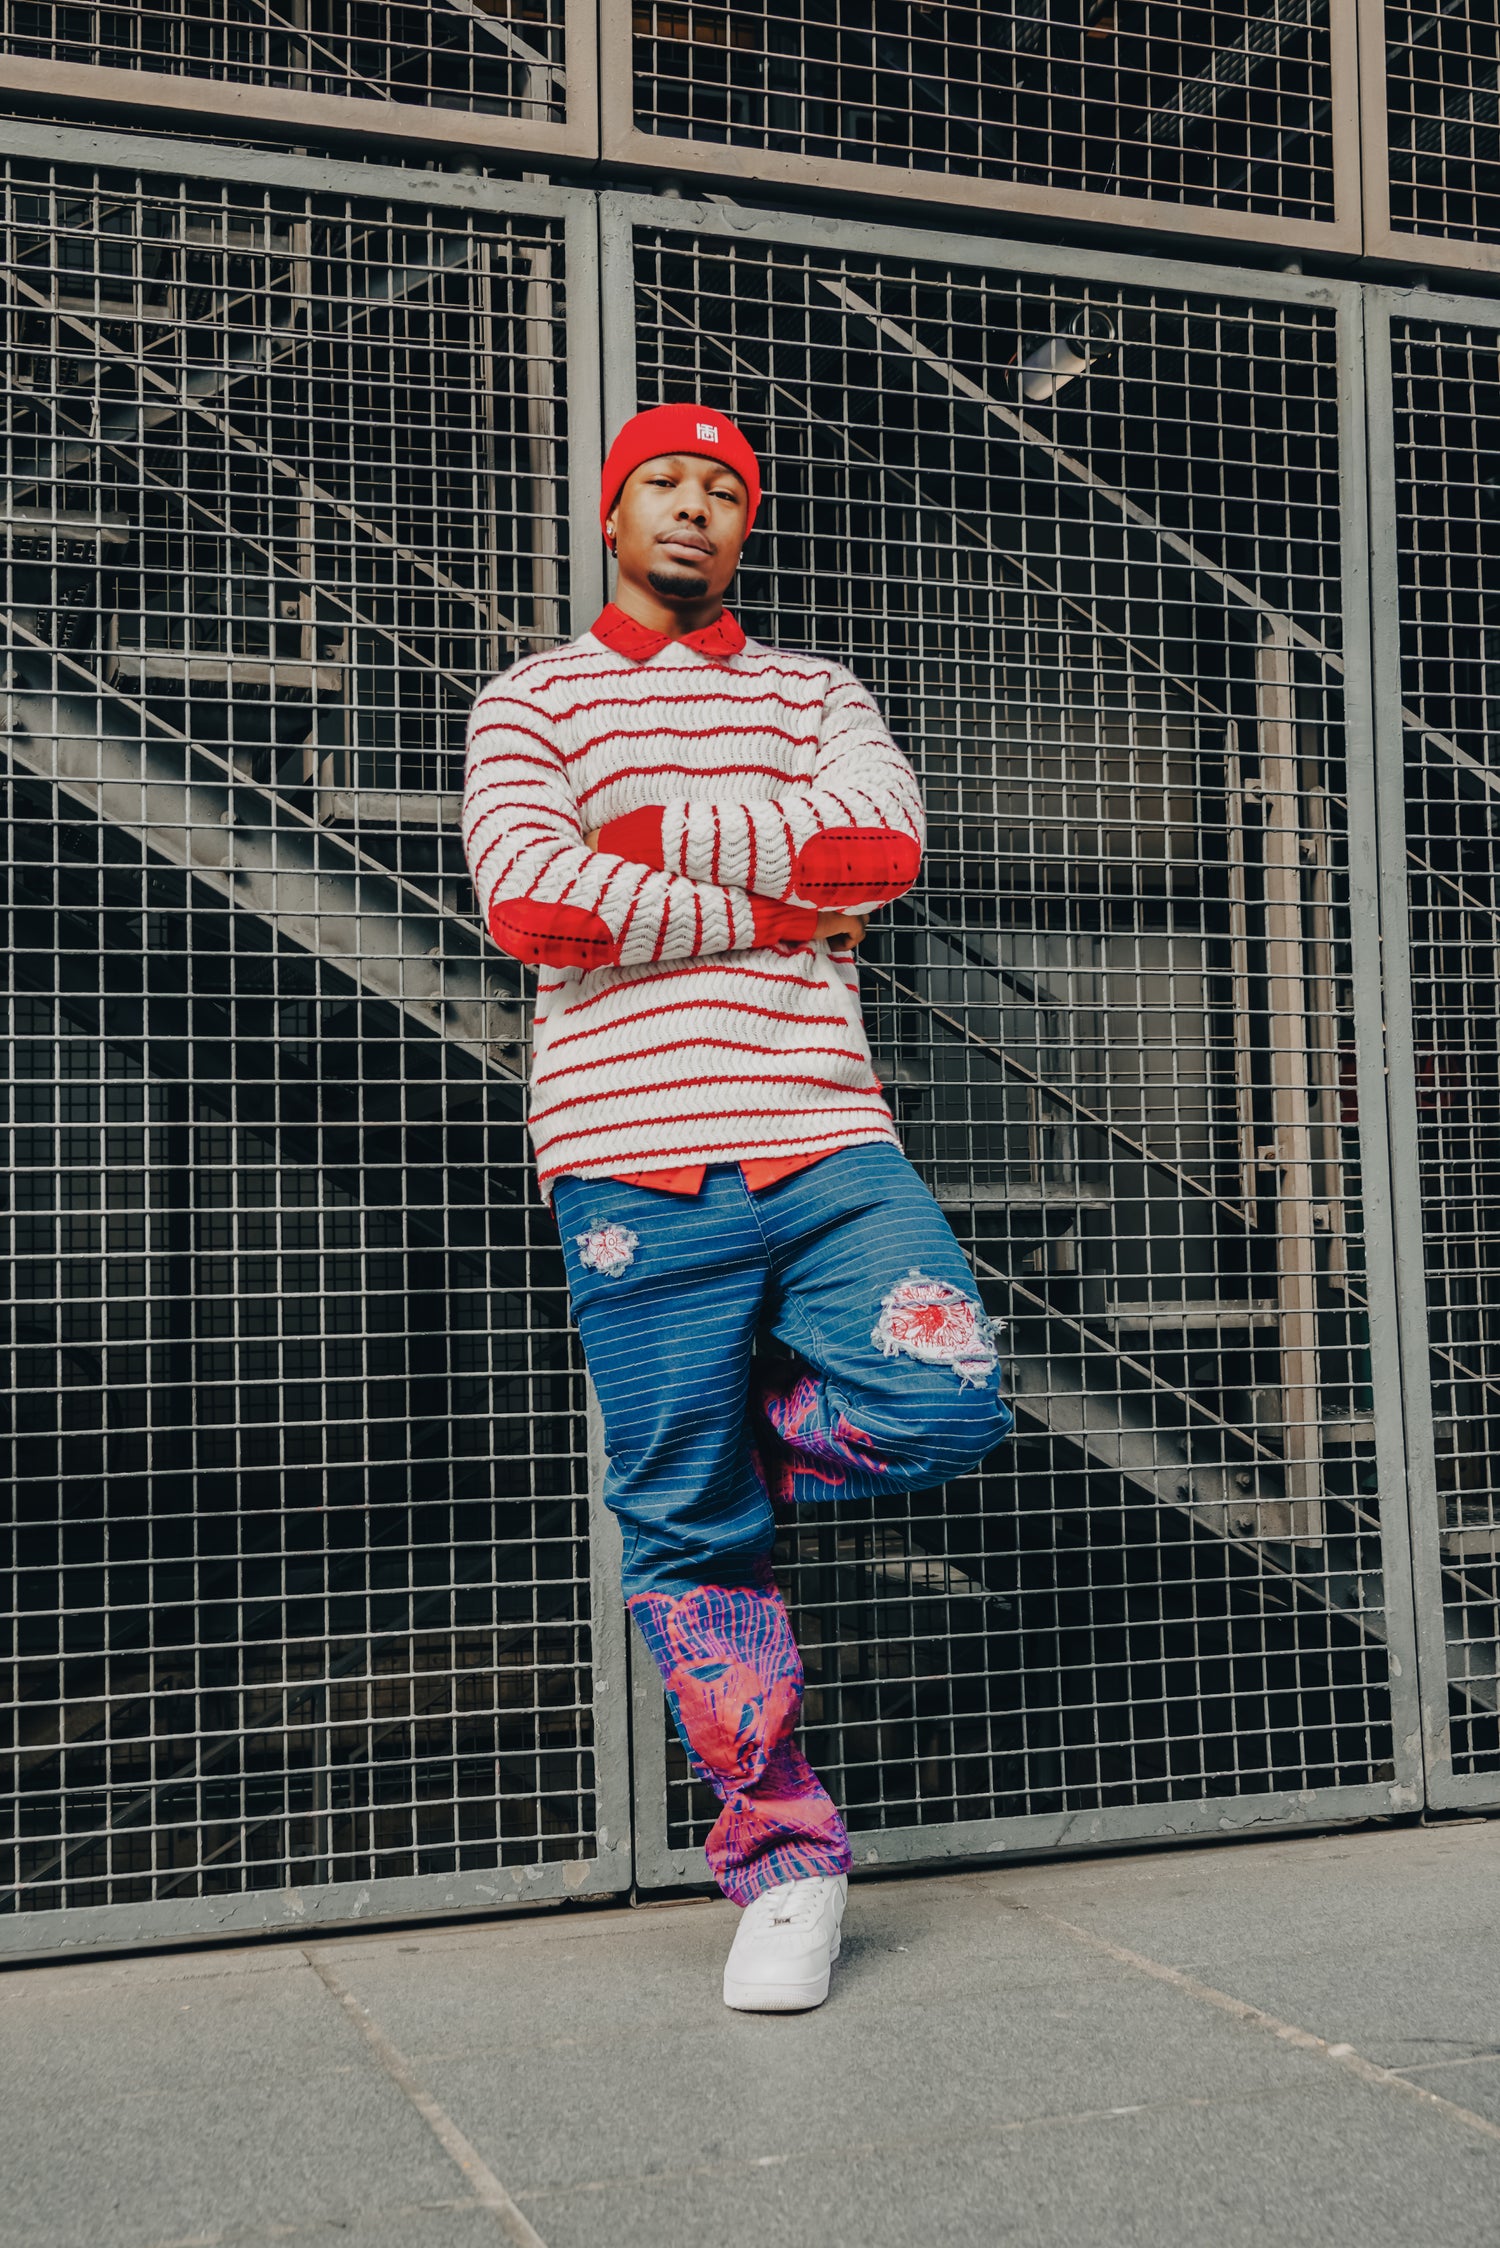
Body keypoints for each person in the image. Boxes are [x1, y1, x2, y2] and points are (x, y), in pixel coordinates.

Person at [462, 402, 1012, 2011]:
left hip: (824, 1135)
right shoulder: (533, 699)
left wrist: (646, 839)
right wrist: (778, 909)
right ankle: (784, 1862)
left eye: (723, 490)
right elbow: (535, 903)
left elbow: (881, 850)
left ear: (745, 522)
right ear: (614, 514)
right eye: (666, 485)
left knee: (943, 1403)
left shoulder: (815, 692)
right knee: (688, 1529)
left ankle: (723, 1482)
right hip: (627, 1157)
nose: (695, 509)